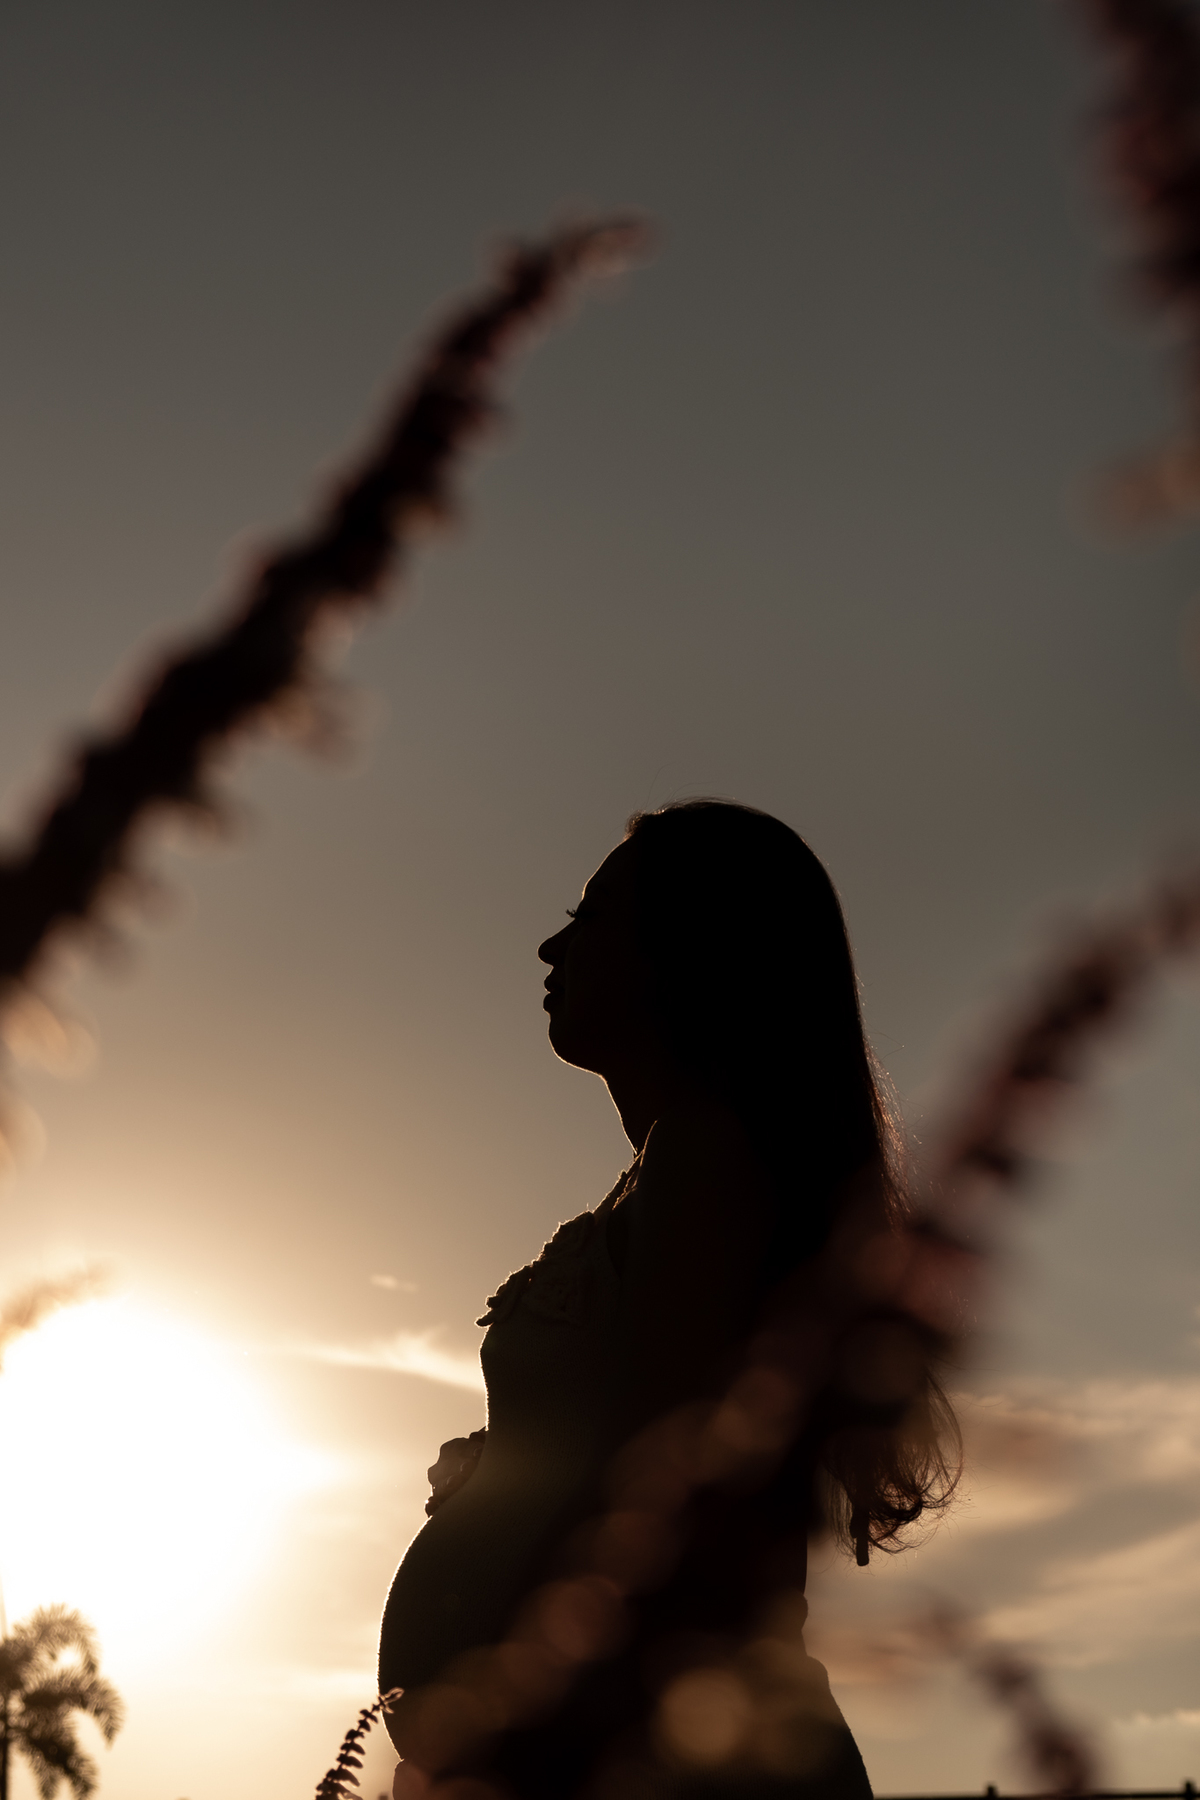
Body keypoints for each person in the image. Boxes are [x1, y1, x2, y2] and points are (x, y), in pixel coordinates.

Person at [379, 801, 957, 1798]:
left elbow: (684, 1503)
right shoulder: (673, 1173)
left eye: (592, 916)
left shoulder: (709, 1160)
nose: (553, 943)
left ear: (691, 950)